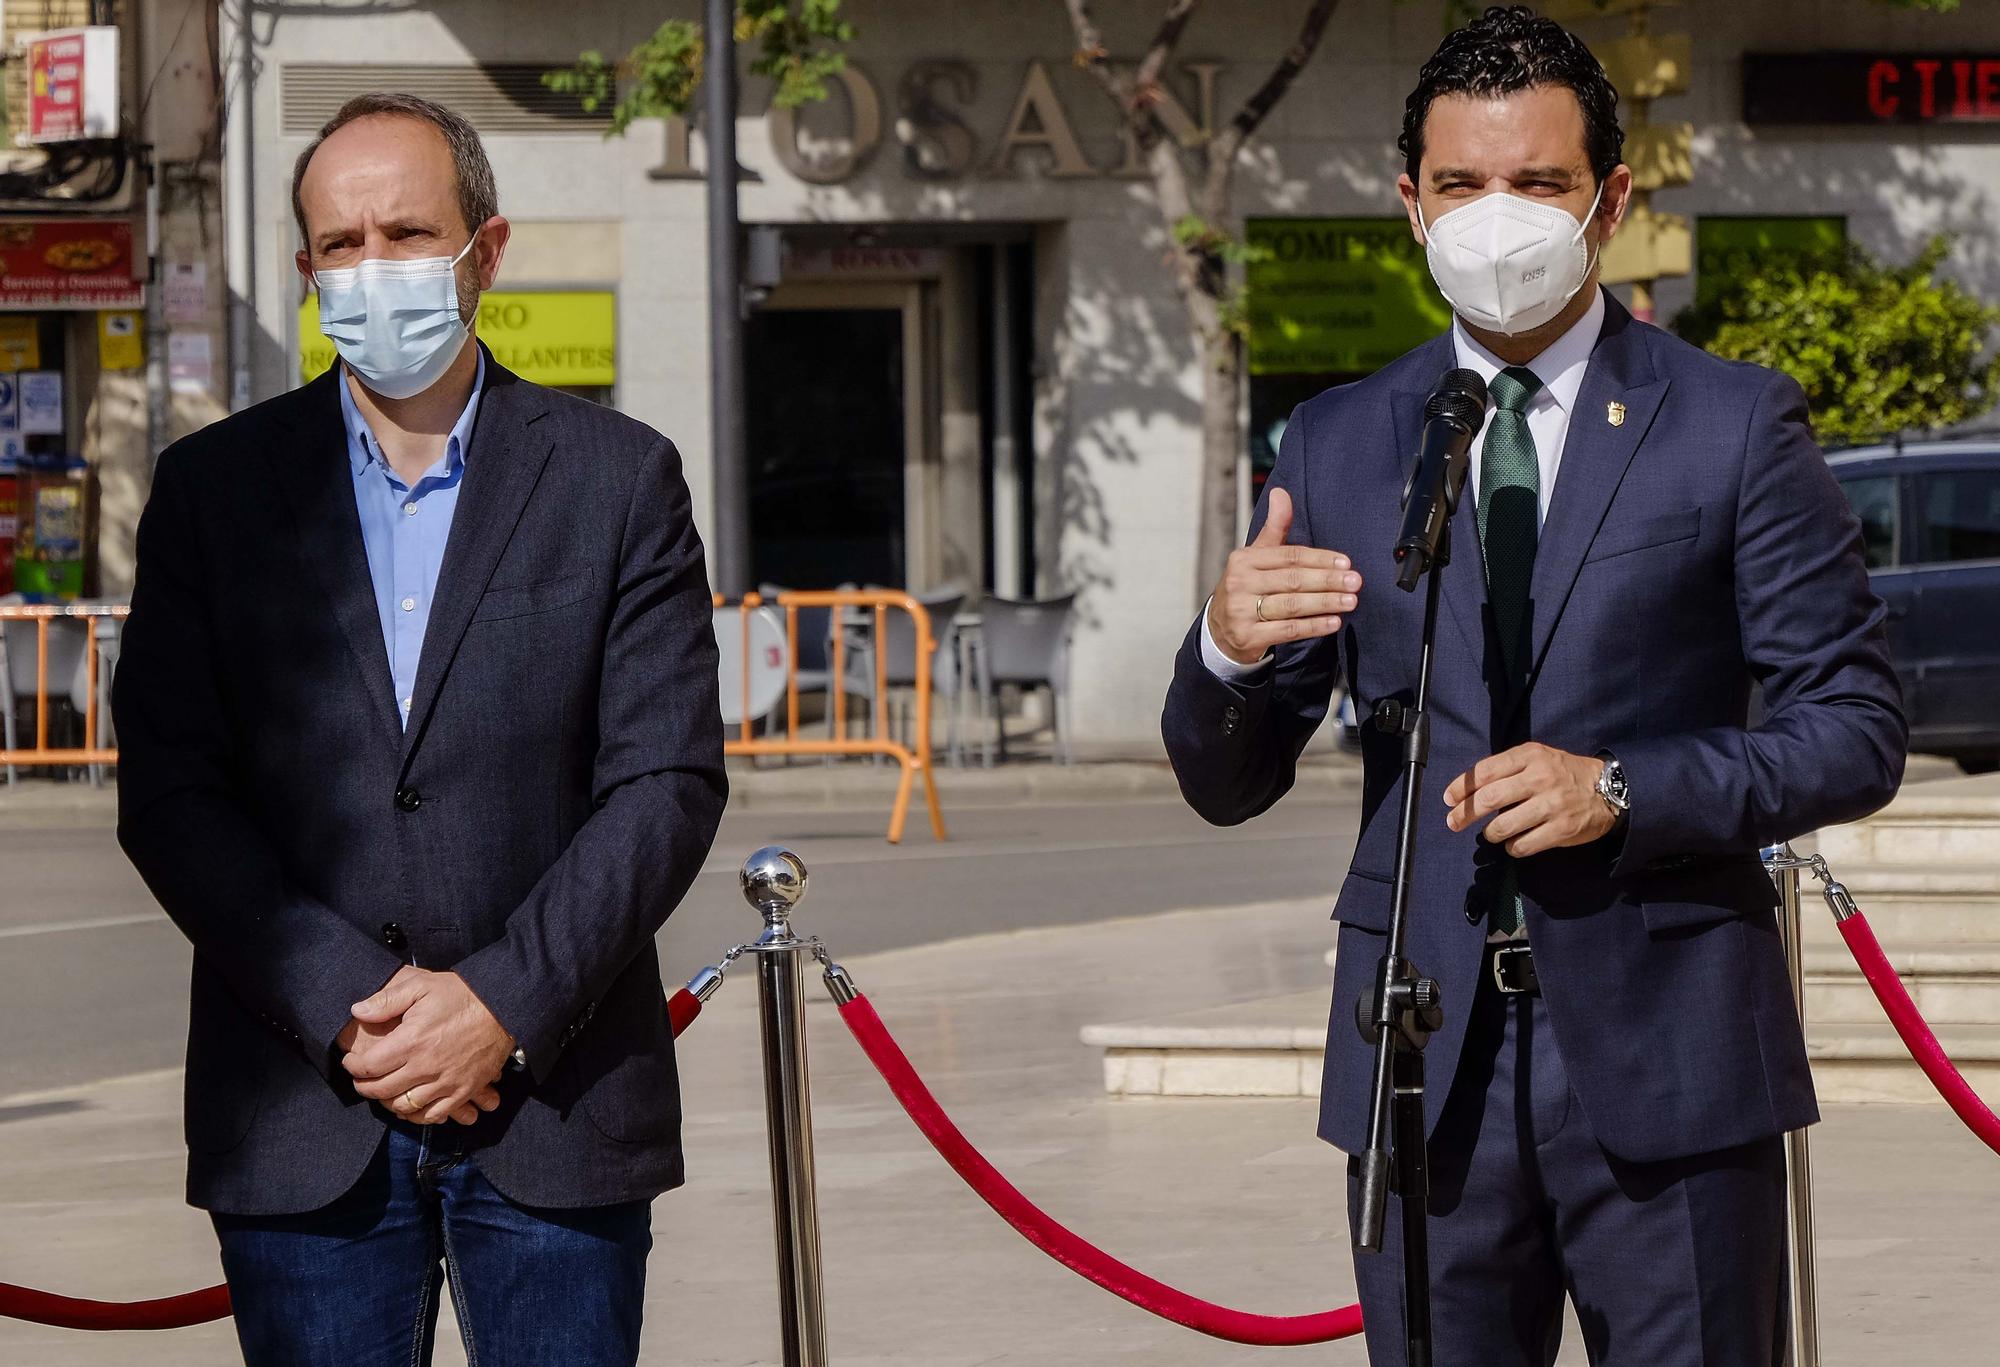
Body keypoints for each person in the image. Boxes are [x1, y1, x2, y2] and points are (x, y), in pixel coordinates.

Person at [1162, 9, 1905, 1365]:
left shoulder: (1735, 424)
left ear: (1608, 201)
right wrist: (1223, 648)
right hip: (1422, 1057)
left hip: (1669, 1058)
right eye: (1461, 185)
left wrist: (1621, 787)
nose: (1496, 215)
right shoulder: (1336, 438)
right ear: (1411, 205)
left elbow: (1852, 729)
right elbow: (1232, 776)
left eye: (1539, 183)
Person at [112, 92, 725, 1367]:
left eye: (405, 231)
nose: (372, 267)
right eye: (340, 245)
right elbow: (171, 790)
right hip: (299, 1103)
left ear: (484, 252)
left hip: (554, 1099)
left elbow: (662, 780)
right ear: (305, 272)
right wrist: (349, 1006)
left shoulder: (619, 478)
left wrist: (502, 998)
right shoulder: (215, 491)